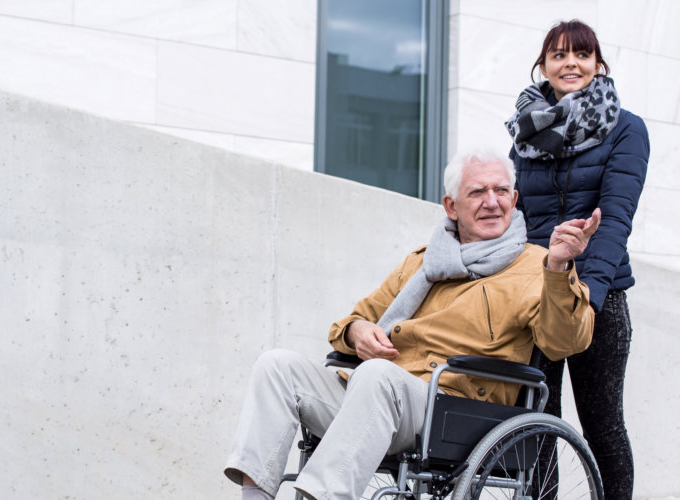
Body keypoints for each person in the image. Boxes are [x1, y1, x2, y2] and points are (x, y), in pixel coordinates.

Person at [221, 149, 601, 500]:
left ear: (514, 200)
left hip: (457, 406)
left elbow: (565, 341)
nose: (491, 202)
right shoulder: (422, 262)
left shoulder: (536, 266)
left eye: (501, 190)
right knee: (277, 366)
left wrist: (558, 268)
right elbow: (356, 318)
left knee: (378, 377)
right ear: (451, 206)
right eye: (477, 192)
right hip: (381, 397)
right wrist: (357, 333)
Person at [504, 19, 648, 500]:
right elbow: (515, 218)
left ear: (597, 65)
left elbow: (615, 219)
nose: (571, 63)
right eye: (559, 55)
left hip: (597, 299)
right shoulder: (526, 133)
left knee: (602, 426)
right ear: (543, 66)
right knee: (537, 424)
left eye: (581, 55)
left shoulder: (627, 130)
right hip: (539, 293)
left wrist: (591, 299)